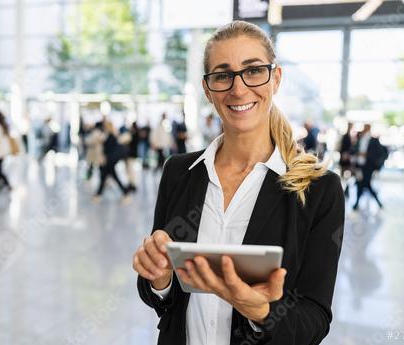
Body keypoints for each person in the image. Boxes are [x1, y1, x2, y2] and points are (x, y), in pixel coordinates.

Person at [133, 21, 345, 345]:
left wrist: (262, 311)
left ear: (275, 78)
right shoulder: (179, 172)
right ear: (208, 90)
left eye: (253, 70)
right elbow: (165, 300)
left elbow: (314, 320)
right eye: (222, 75)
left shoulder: (318, 190)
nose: (239, 88)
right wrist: (159, 279)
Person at [92, 121, 130, 203]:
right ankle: (98, 195)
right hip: (108, 161)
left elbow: (108, 149)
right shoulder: (109, 136)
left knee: (106, 178)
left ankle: (98, 195)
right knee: (107, 178)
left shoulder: (111, 136)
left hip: (108, 161)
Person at [352, 124, 388, 210]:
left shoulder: (374, 140)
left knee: (364, 183)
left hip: (368, 166)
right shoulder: (360, 139)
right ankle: (376, 202)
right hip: (360, 165)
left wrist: (367, 156)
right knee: (362, 184)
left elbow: (380, 153)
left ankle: (357, 203)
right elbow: (355, 149)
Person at [338, 122, 356, 197]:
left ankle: (345, 189)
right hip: (345, 159)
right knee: (344, 174)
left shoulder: (349, 136)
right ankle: (343, 190)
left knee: (347, 174)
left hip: (347, 159)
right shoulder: (346, 136)